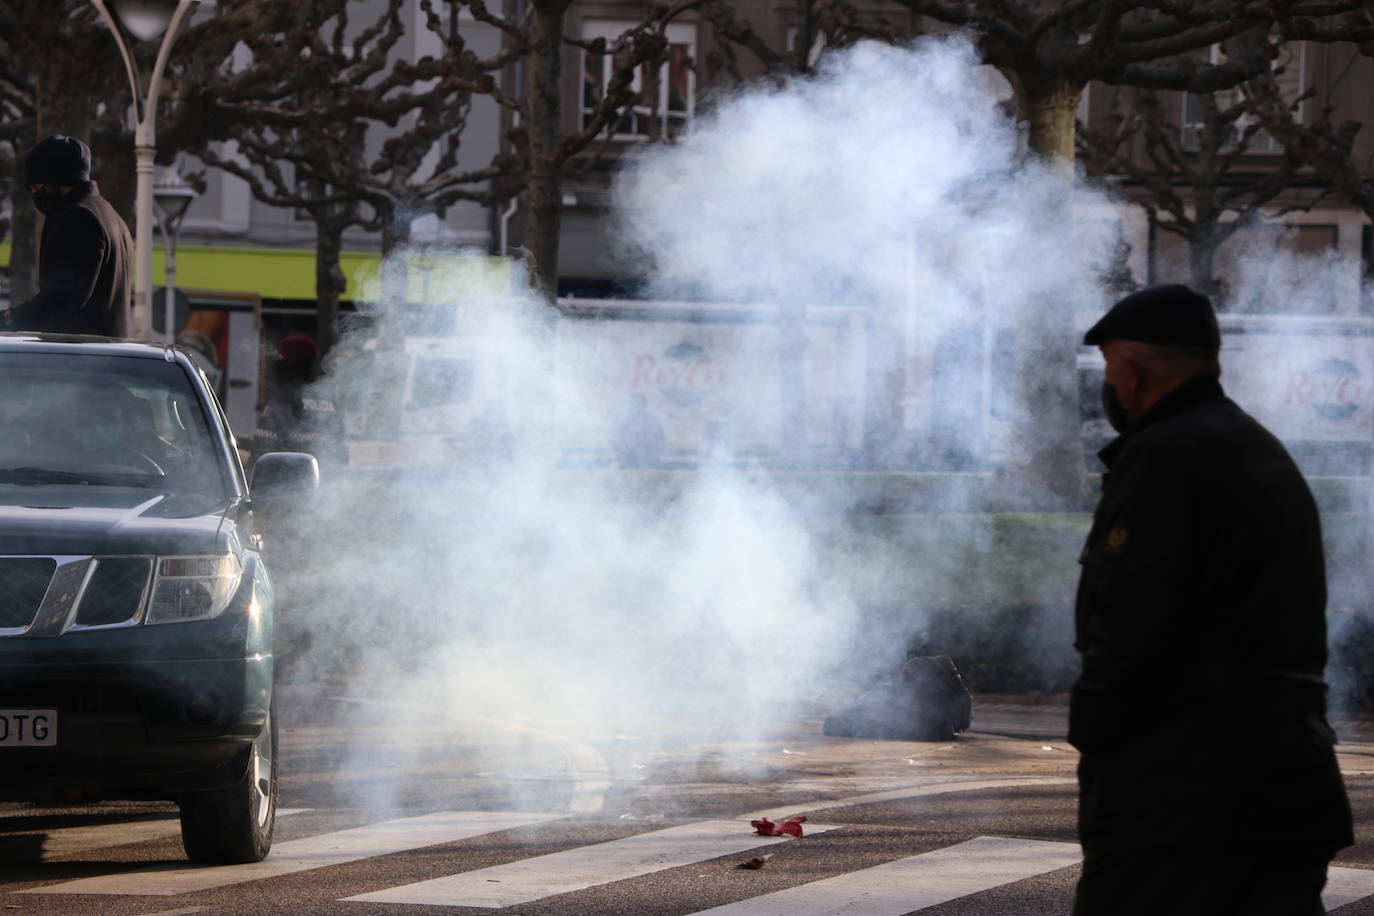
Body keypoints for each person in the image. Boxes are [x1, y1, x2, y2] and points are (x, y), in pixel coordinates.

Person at [1070, 284, 1353, 915]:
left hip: (1183, 801)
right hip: (1279, 786)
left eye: (1113, 369)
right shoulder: (1254, 447)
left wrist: (1096, 732)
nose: (1112, 385)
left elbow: (1130, 632)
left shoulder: (1164, 457)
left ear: (1132, 370)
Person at [4, 135, 132, 337]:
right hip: (105, 355)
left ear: (57, 179)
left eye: (37, 185)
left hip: (78, 359)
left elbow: (62, 300)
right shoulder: (110, 215)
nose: (34, 193)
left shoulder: (78, 217)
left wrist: (10, 318)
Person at [255, 334, 348, 467]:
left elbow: (263, 450)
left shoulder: (283, 399)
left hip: (289, 480)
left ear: (289, 363)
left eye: (280, 358)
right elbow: (342, 452)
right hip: (328, 481)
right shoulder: (329, 399)